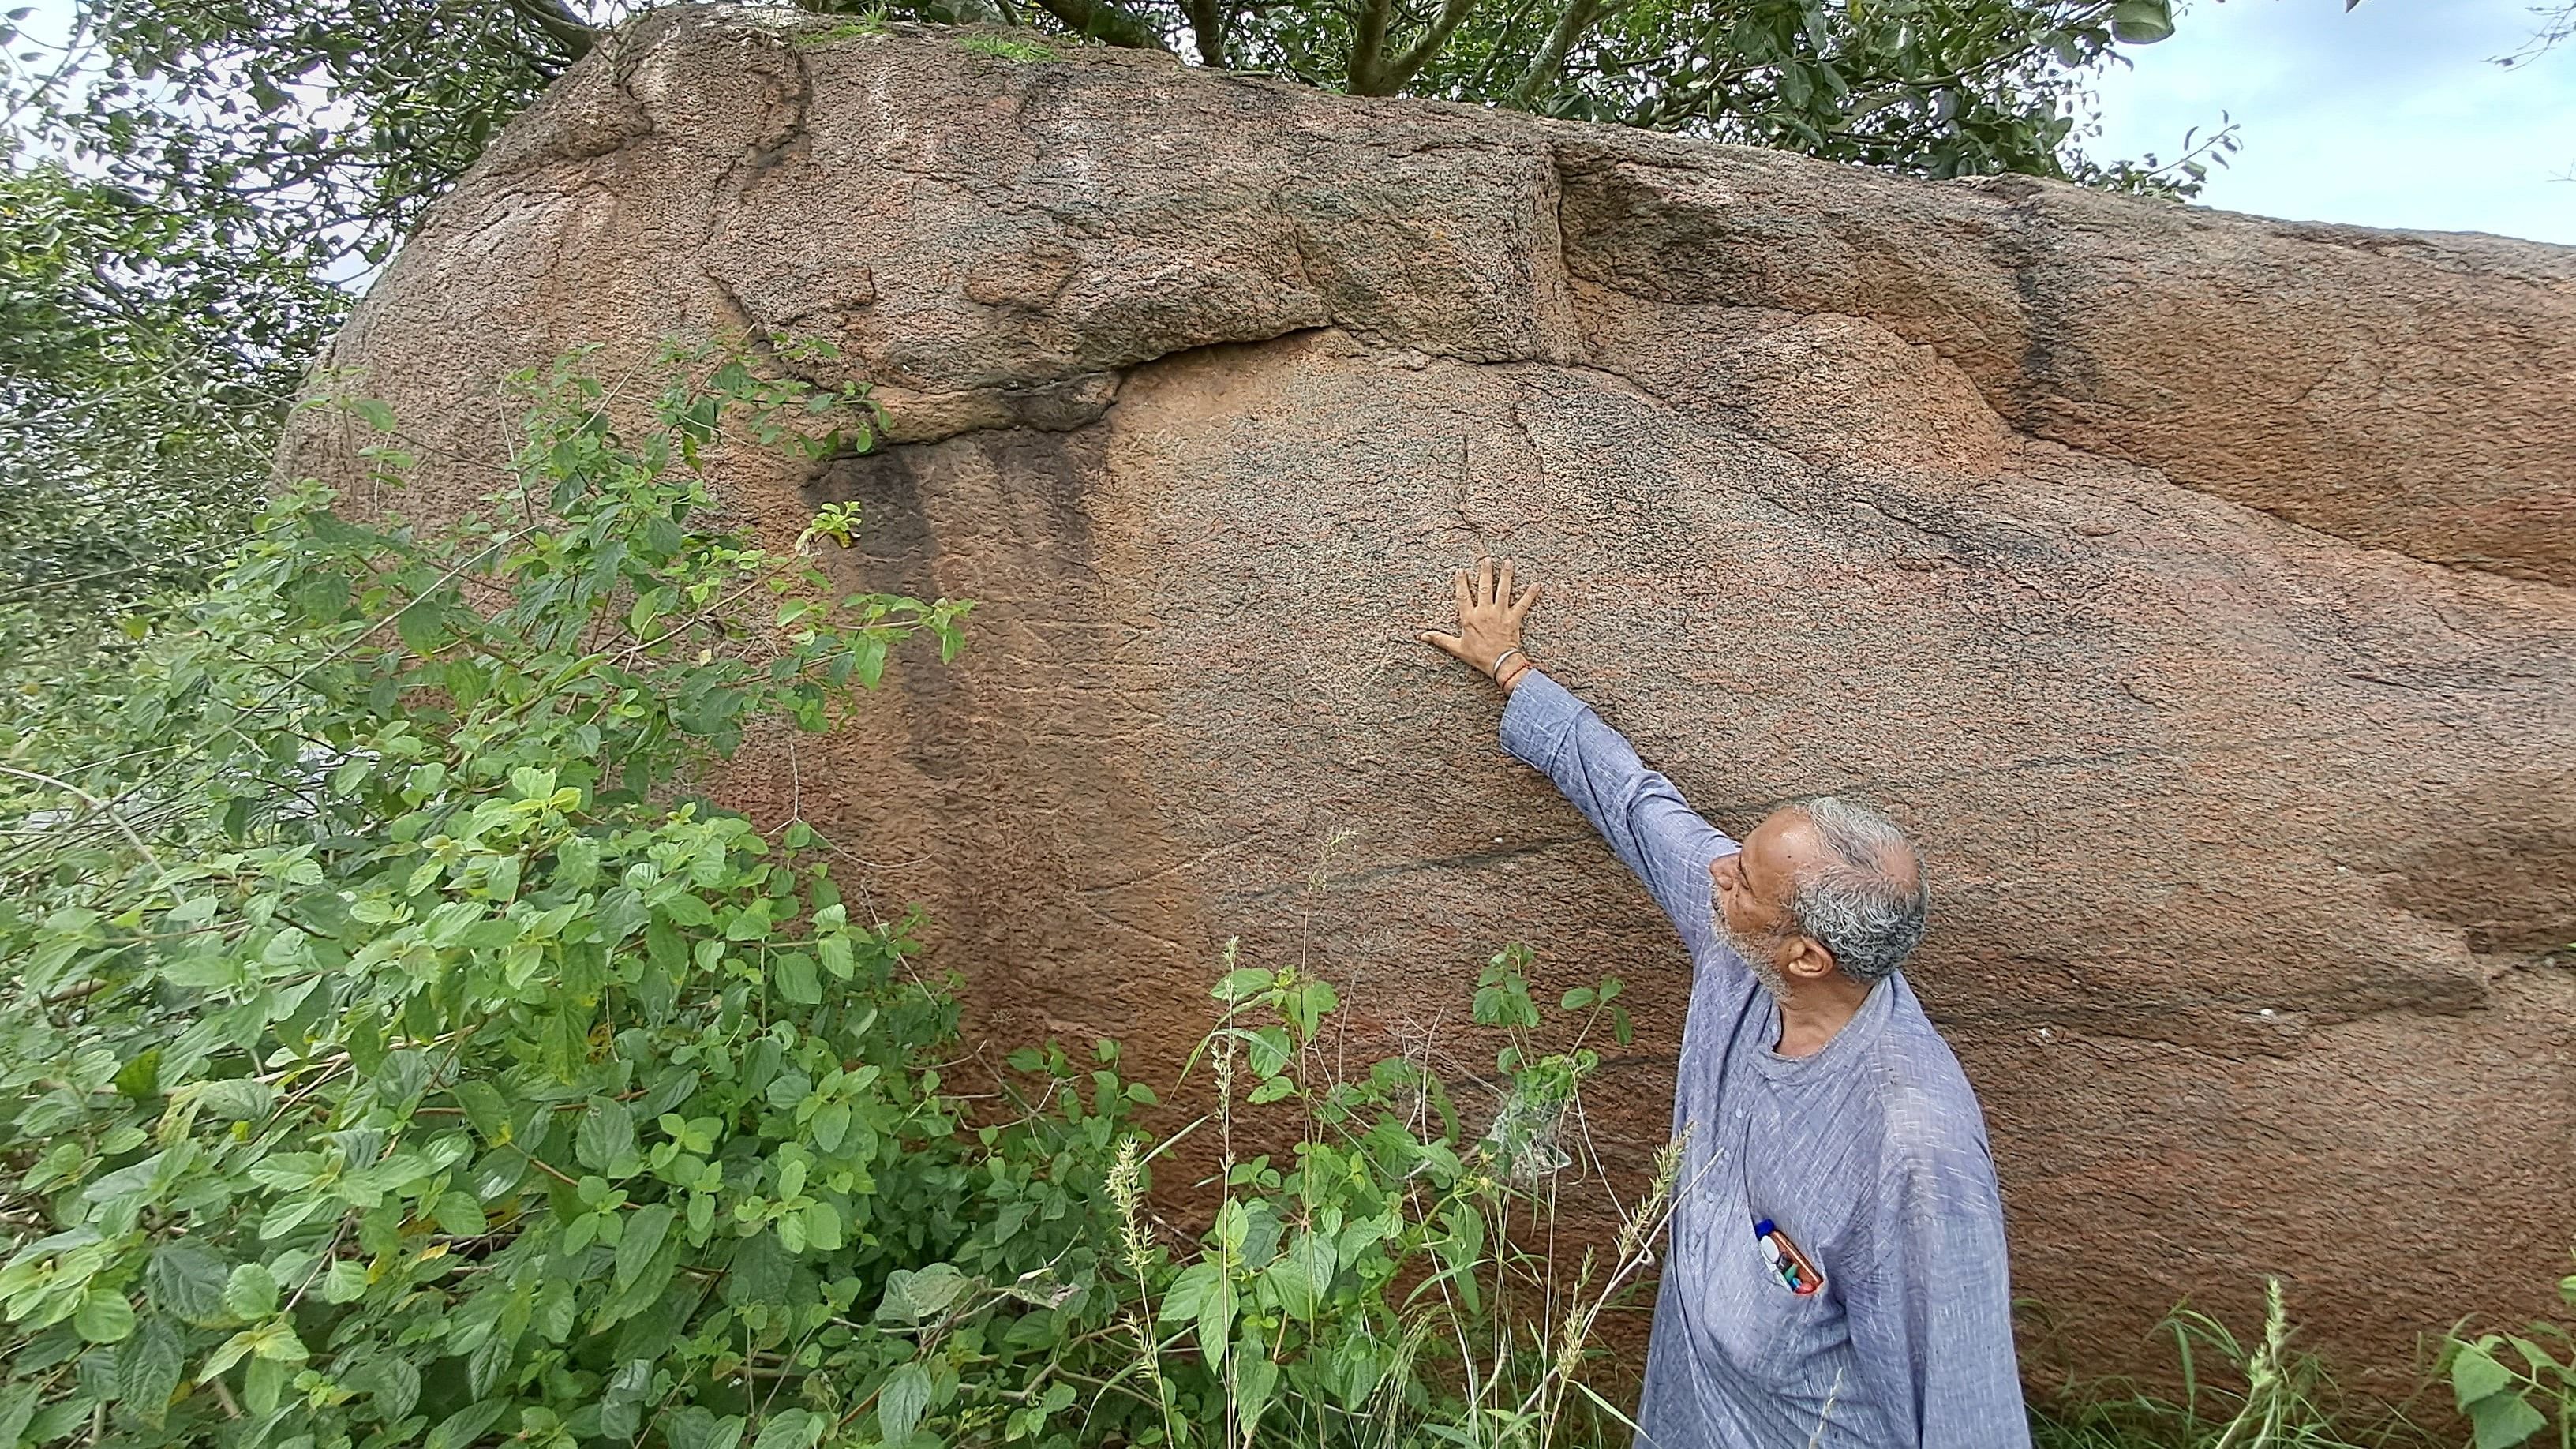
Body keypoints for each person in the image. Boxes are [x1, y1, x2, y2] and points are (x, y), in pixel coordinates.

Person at [1419, 556, 2030, 1449]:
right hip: (1683, 1413)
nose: (1715, 873)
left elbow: (1968, 1416)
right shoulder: (1744, 941)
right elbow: (1638, 804)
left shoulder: (1913, 1148)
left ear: (1808, 954)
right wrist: (1513, 670)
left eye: (1742, 878)